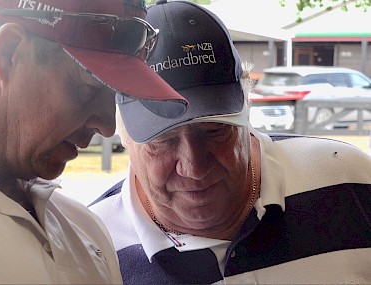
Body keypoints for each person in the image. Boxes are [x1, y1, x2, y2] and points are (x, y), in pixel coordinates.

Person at [89, 1, 371, 284]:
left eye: (213, 131)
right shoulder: (89, 249)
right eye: (163, 140)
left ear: (246, 112)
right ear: (124, 135)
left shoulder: (352, 183)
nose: (194, 167)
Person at [0, 0, 189, 284]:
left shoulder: (84, 229)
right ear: (9, 53)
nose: (106, 127)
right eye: (86, 89)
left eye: (114, 97)